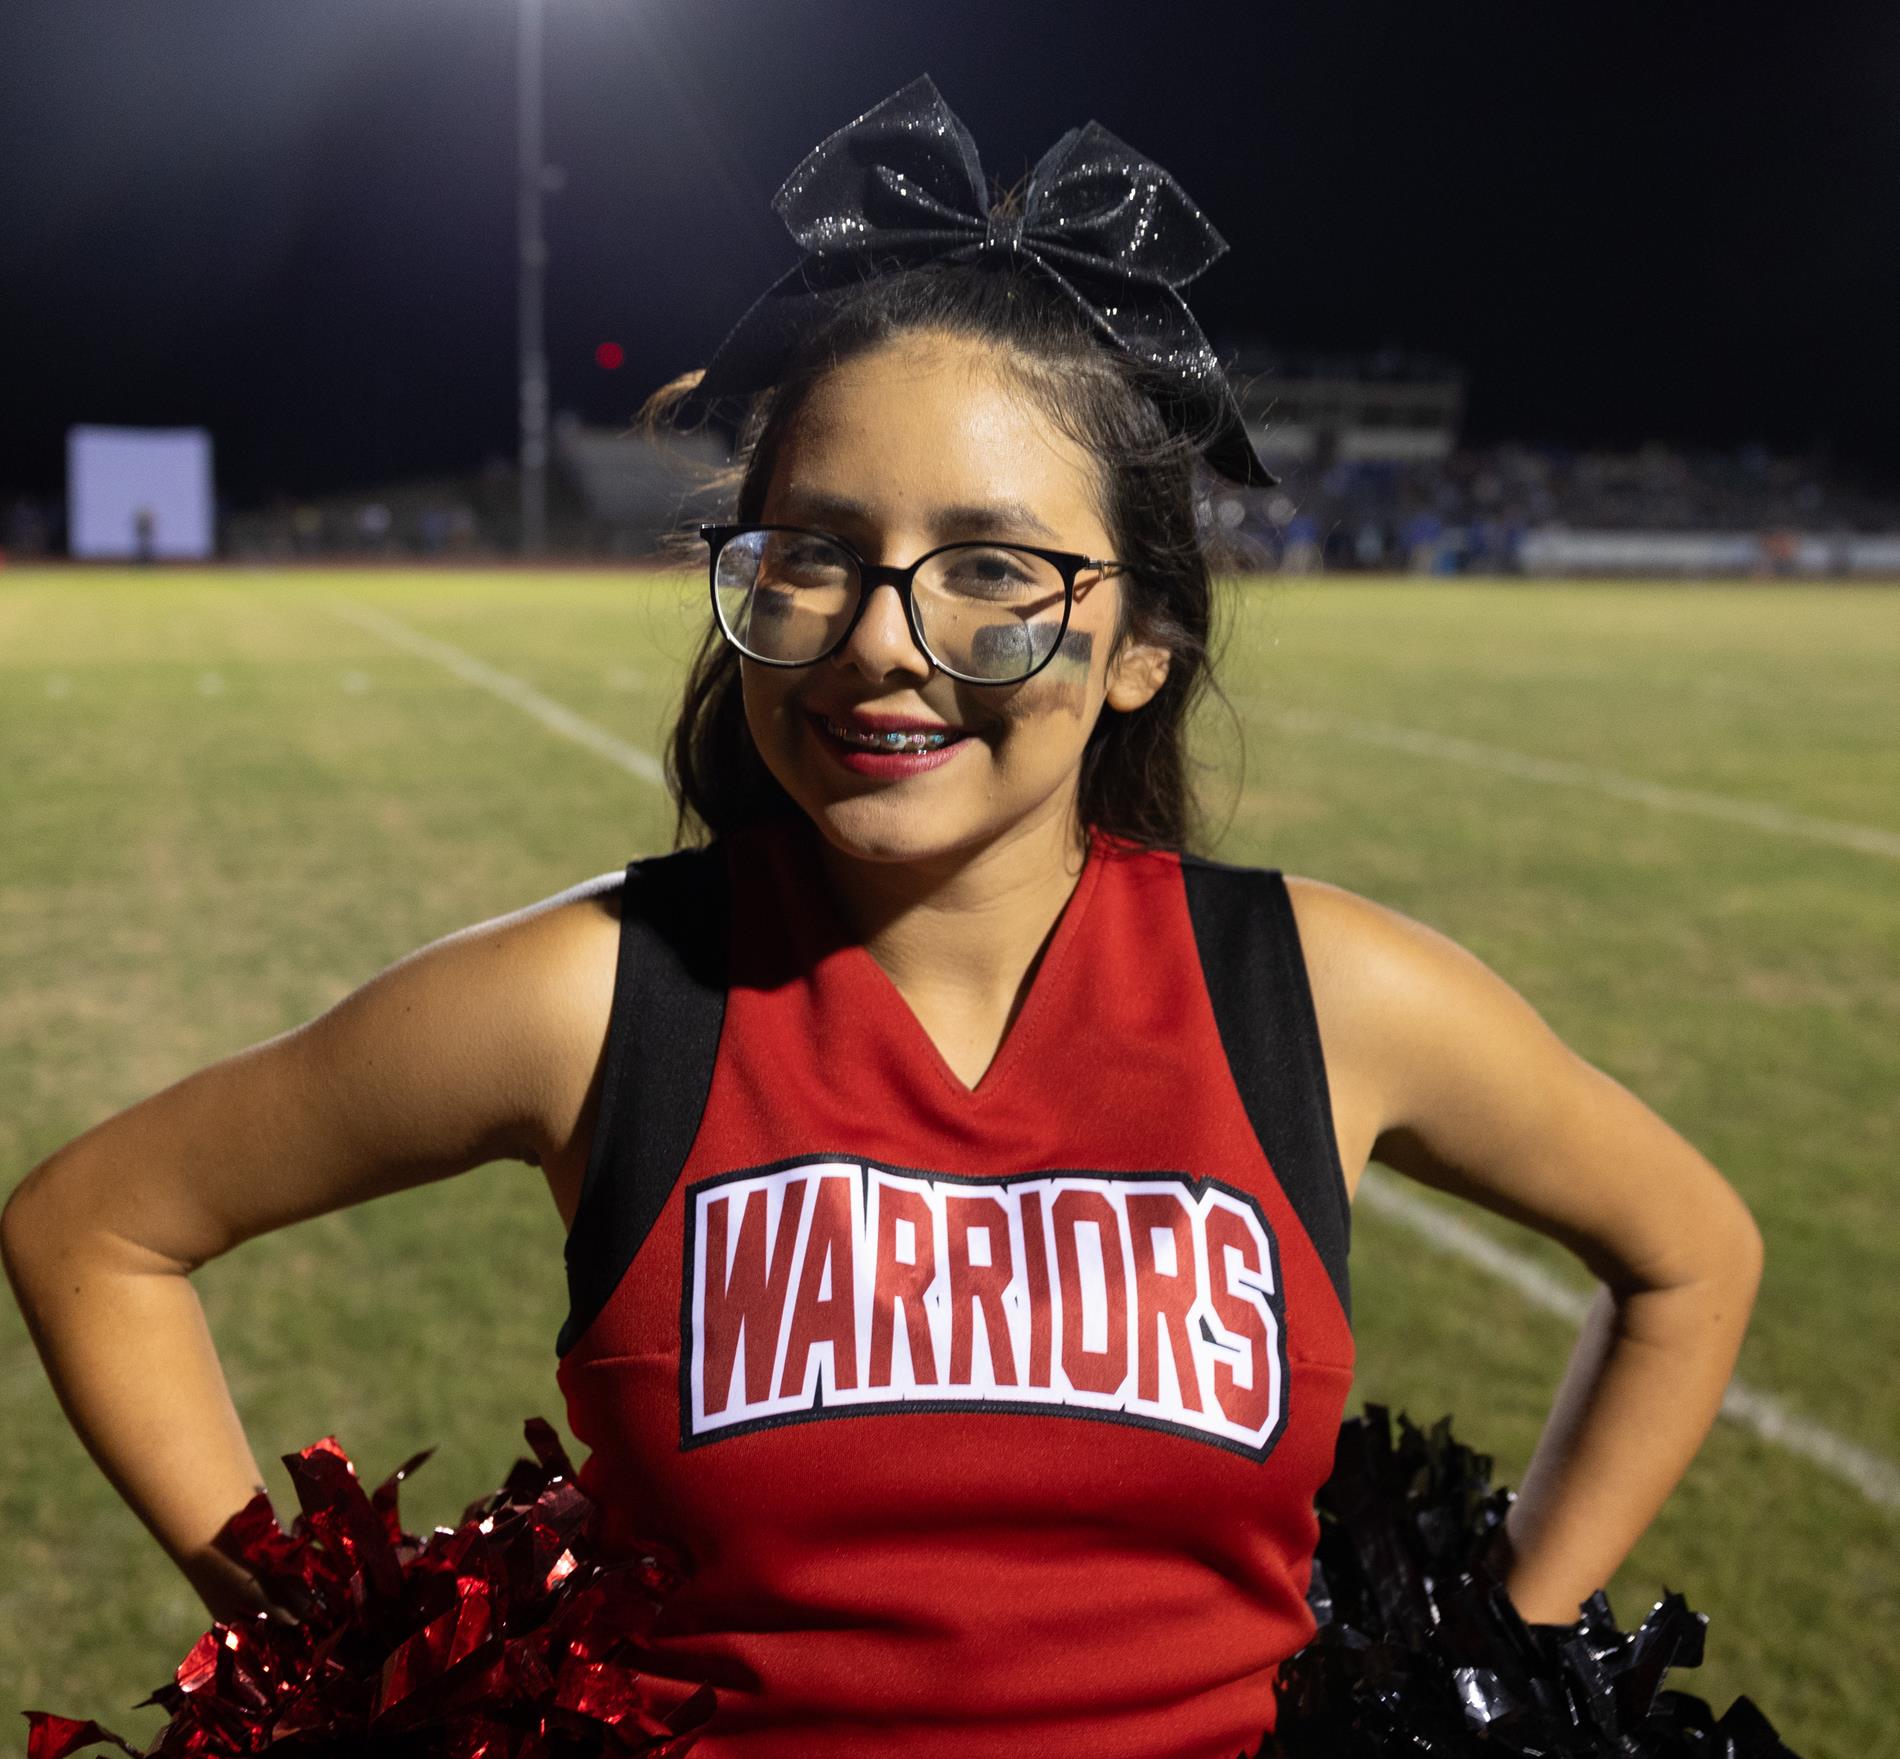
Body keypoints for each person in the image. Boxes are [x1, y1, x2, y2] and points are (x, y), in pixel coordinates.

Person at [3, 78, 1763, 1759]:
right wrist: (361, 1672)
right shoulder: (606, 997)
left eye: (995, 567)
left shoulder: (1322, 996)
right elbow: (99, 1230)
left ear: (1142, 642)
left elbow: (1690, 1254)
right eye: (816, 551)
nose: (882, 640)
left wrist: (1488, 1668)